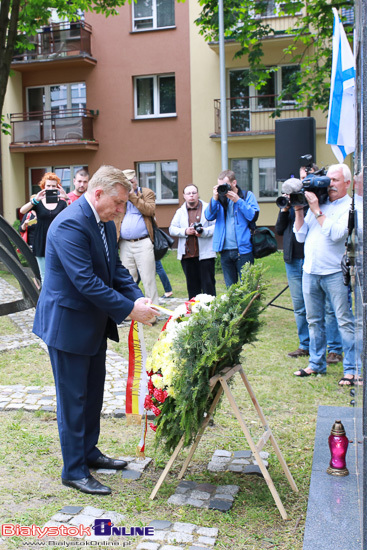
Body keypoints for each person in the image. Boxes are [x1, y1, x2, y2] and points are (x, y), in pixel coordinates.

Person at [33, 165, 158, 495]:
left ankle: (88, 453)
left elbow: (114, 268)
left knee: (92, 394)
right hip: (68, 326)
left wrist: (137, 296)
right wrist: (131, 310)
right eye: (118, 203)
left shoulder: (102, 220)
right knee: (73, 399)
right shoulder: (70, 224)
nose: (121, 210)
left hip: (91, 325)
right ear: (98, 193)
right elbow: (86, 282)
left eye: (124, 205)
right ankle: (73, 470)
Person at [293, 163, 357, 386]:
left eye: (336, 180)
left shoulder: (349, 206)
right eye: (328, 179)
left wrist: (316, 210)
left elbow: (338, 234)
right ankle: (316, 364)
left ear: (347, 183)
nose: (330, 184)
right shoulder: (320, 203)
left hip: (334, 273)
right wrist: (299, 209)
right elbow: (300, 236)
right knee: (314, 321)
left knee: (343, 321)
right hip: (310, 271)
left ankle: (351, 370)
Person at [275, 177, 343, 362]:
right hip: (293, 258)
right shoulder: (292, 204)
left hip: (313, 259)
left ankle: (334, 348)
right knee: (299, 306)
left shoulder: (316, 203)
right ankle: (305, 345)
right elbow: (280, 229)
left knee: (328, 308)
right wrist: (286, 208)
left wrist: (307, 204)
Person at [205, 169, 259, 287]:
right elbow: (208, 216)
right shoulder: (219, 199)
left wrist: (238, 201)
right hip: (225, 250)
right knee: (231, 289)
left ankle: (249, 306)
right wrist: (214, 198)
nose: (223, 188)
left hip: (243, 250)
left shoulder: (246, 196)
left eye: (225, 185)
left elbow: (253, 216)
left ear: (234, 183)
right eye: (220, 186)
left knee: (248, 287)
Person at [115, 169, 159, 308]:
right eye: (126, 183)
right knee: (127, 279)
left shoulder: (146, 193)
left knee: (148, 279)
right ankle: (130, 309)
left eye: (131, 182)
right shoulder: (119, 196)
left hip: (143, 241)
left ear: (136, 180)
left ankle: (152, 310)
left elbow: (149, 210)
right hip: (124, 243)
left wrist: (133, 196)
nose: (129, 185)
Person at [19, 172, 68, 283]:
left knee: (59, 274)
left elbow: (72, 216)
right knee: (44, 276)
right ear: (43, 187)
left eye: (53, 186)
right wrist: (35, 199)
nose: (50, 188)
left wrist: (66, 197)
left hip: (58, 241)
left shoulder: (62, 203)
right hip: (41, 241)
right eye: (48, 186)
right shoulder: (38, 202)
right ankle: (46, 300)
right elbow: (22, 211)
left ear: (58, 187)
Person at [169, 184, 216, 299]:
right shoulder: (180, 211)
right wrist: (185, 231)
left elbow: (216, 226)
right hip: (187, 256)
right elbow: (172, 229)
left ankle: (211, 312)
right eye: (188, 193)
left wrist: (204, 232)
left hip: (205, 255)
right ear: (184, 196)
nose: (191, 196)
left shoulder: (208, 208)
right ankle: (195, 313)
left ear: (198, 194)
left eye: (194, 193)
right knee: (192, 288)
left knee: (208, 286)